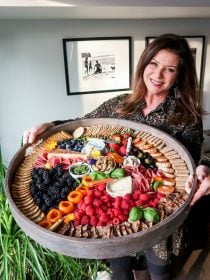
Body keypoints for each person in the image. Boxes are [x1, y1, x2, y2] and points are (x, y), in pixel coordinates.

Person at [23, 34, 210, 279]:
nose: (158, 74)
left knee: (160, 268)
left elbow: (197, 158)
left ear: (179, 76)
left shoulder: (186, 117)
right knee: (119, 267)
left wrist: (204, 168)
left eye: (170, 69)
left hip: (158, 206)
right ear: (144, 64)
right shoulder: (121, 104)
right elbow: (83, 123)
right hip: (112, 207)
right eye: (153, 64)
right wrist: (49, 125)